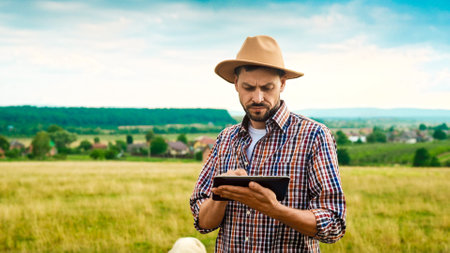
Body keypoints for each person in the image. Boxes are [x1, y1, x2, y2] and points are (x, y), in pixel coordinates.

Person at [190, 35, 346, 252]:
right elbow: (203, 223)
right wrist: (222, 194)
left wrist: (274, 209)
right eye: (248, 87)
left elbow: (333, 225)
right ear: (236, 84)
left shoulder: (315, 136)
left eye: (267, 87)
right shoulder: (225, 139)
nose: (257, 97)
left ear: (282, 84)